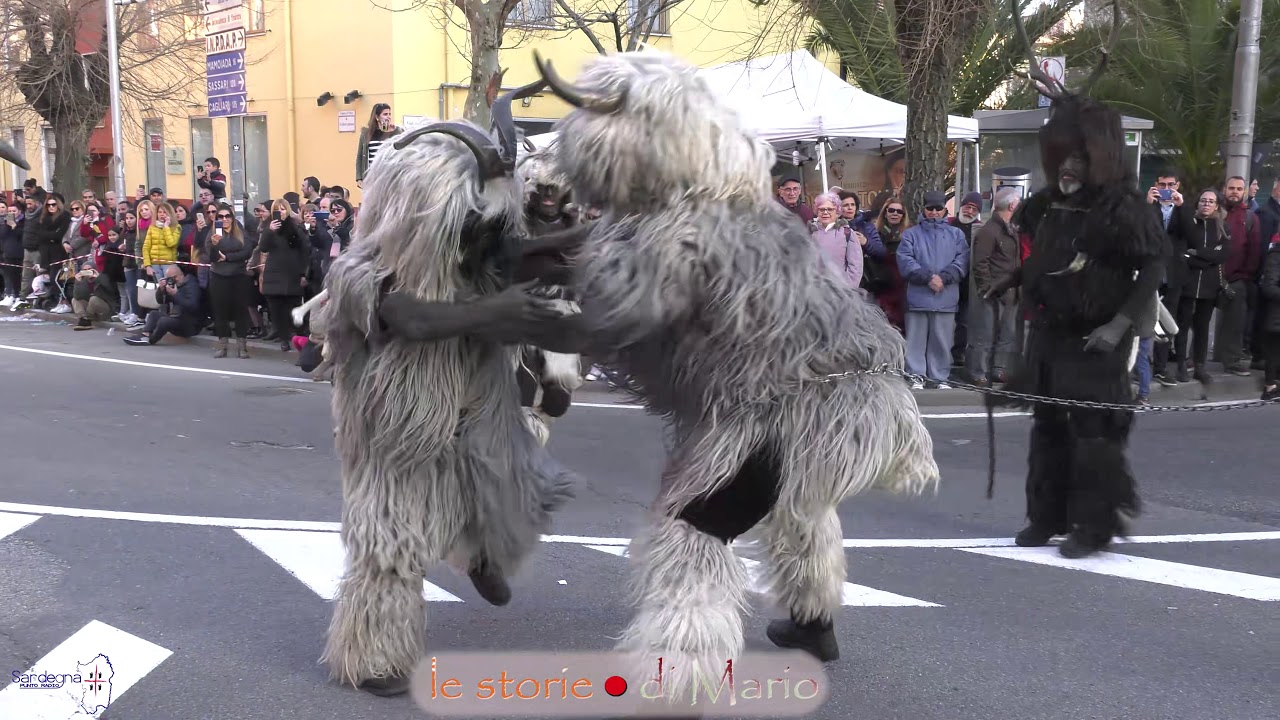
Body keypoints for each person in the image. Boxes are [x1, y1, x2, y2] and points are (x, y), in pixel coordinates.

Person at [528, 49, 939, 710]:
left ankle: (685, 679)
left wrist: (513, 301)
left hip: (773, 412)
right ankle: (813, 619)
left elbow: (613, 316)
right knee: (799, 502)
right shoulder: (752, 213)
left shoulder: (677, 229)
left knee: (690, 532)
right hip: (858, 406)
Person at [319, 82, 578, 697]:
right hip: (398, 431)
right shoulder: (360, 271)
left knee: (515, 489)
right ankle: (373, 654)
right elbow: (413, 319)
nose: (476, 236)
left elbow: (529, 257)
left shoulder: (481, 255)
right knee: (393, 542)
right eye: (464, 222)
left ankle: (485, 550)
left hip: (478, 411)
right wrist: (499, 311)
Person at [993, 2, 1166, 559]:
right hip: (1050, 335)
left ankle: (1093, 526)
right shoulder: (1044, 206)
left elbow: (1153, 268)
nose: (1067, 169)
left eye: (1077, 159)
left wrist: (1119, 326)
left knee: (1095, 433)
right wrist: (1015, 277)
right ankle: (1046, 515)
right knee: (1047, 426)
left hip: (1097, 340)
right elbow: (1047, 257)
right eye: (1060, 158)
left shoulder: (1123, 208)